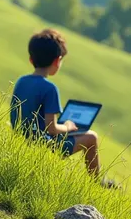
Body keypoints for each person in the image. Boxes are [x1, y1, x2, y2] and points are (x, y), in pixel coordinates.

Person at [10, 28, 110, 184]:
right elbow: (52, 128)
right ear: (57, 61)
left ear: (31, 59)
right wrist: (69, 126)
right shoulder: (50, 88)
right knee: (91, 137)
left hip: (21, 141)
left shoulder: (21, 80)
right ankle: (96, 183)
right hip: (43, 146)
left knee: (82, 134)